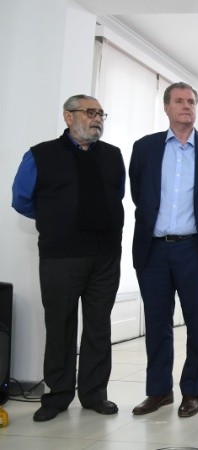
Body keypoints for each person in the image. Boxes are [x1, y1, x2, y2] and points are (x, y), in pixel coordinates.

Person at [12, 95, 124, 422]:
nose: (97, 118)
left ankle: (94, 394)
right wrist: (56, 218)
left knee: (98, 327)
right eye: (90, 112)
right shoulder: (40, 155)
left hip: (105, 256)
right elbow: (22, 200)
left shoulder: (113, 156)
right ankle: (58, 395)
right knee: (60, 325)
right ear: (68, 116)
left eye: (101, 113)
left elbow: (114, 196)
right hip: (61, 256)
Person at [129, 82, 198, 418]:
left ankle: (192, 392)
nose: (186, 106)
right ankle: (158, 392)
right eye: (179, 101)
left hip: (196, 249)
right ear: (166, 107)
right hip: (153, 250)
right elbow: (141, 195)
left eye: (191, 101)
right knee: (157, 324)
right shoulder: (145, 148)